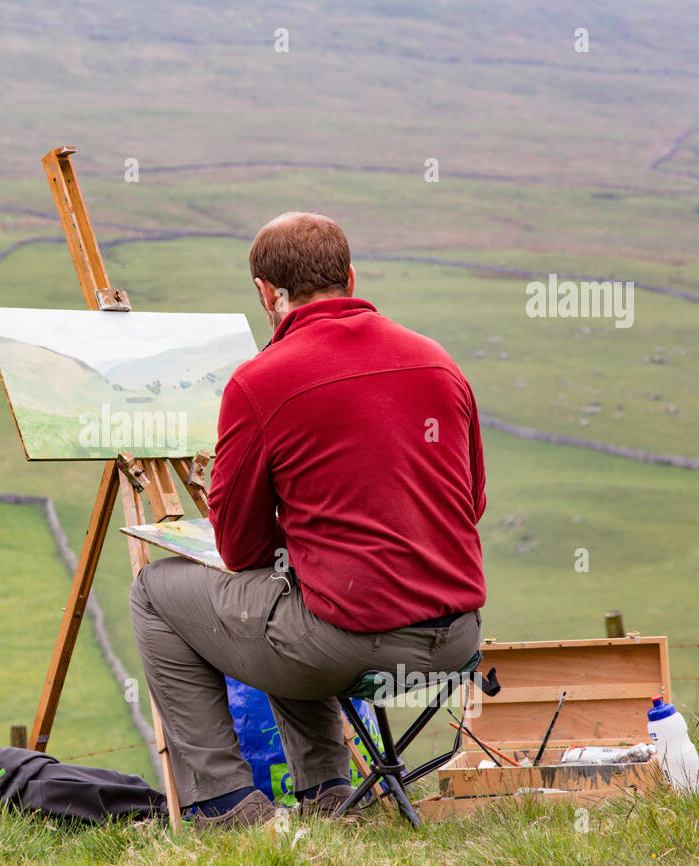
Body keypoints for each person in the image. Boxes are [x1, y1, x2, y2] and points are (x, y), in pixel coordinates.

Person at [129, 212, 487, 829]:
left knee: (155, 594)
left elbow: (240, 550)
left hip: (344, 646)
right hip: (456, 643)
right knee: (297, 593)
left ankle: (224, 806)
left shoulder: (259, 382)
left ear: (267, 293)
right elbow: (470, 502)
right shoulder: (437, 362)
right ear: (350, 276)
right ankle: (325, 795)